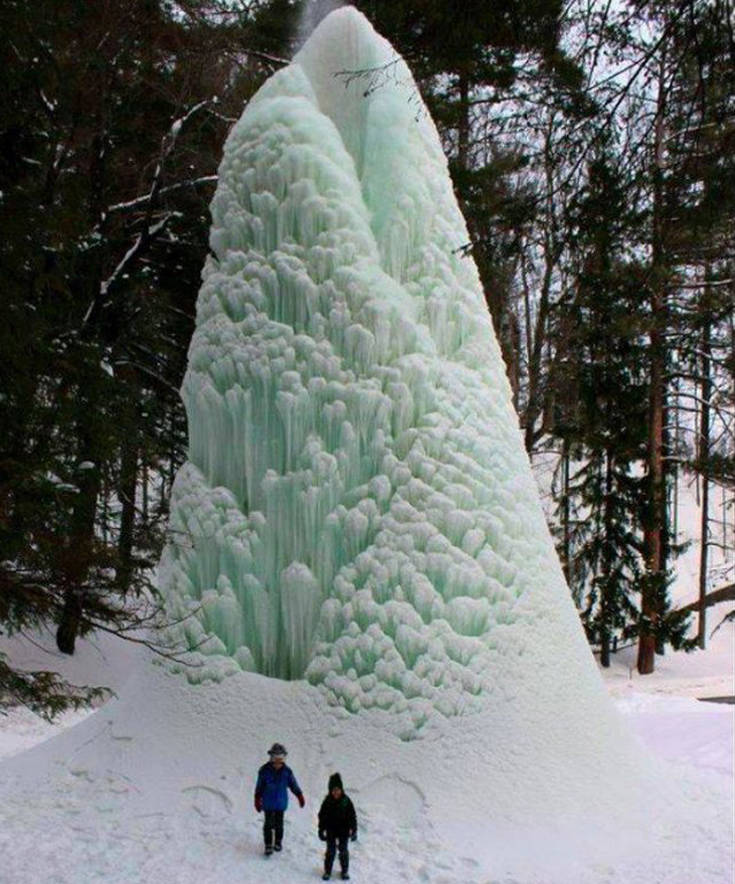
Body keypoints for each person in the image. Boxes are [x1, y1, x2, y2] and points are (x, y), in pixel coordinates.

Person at [254, 742, 305, 856]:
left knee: (279, 824)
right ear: (271, 758)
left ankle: (278, 842)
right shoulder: (264, 771)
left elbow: (293, 784)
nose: (278, 762)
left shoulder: (287, 772)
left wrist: (299, 795)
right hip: (268, 803)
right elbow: (259, 786)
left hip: (280, 803)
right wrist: (257, 798)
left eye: (280, 758)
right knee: (268, 824)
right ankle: (268, 844)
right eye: (275, 758)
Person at [318, 772, 357, 881]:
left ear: (341, 790)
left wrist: (354, 830)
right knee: (330, 851)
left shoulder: (346, 801)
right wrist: (321, 829)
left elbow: (352, 816)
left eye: (338, 790)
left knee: (343, 850)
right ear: (330, 791)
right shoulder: (327, 801)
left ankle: (344, 871)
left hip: (343, 830)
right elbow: (322, 816)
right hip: (331, 830)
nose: (336, 793)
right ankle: (327, 871)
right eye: (333, 790)